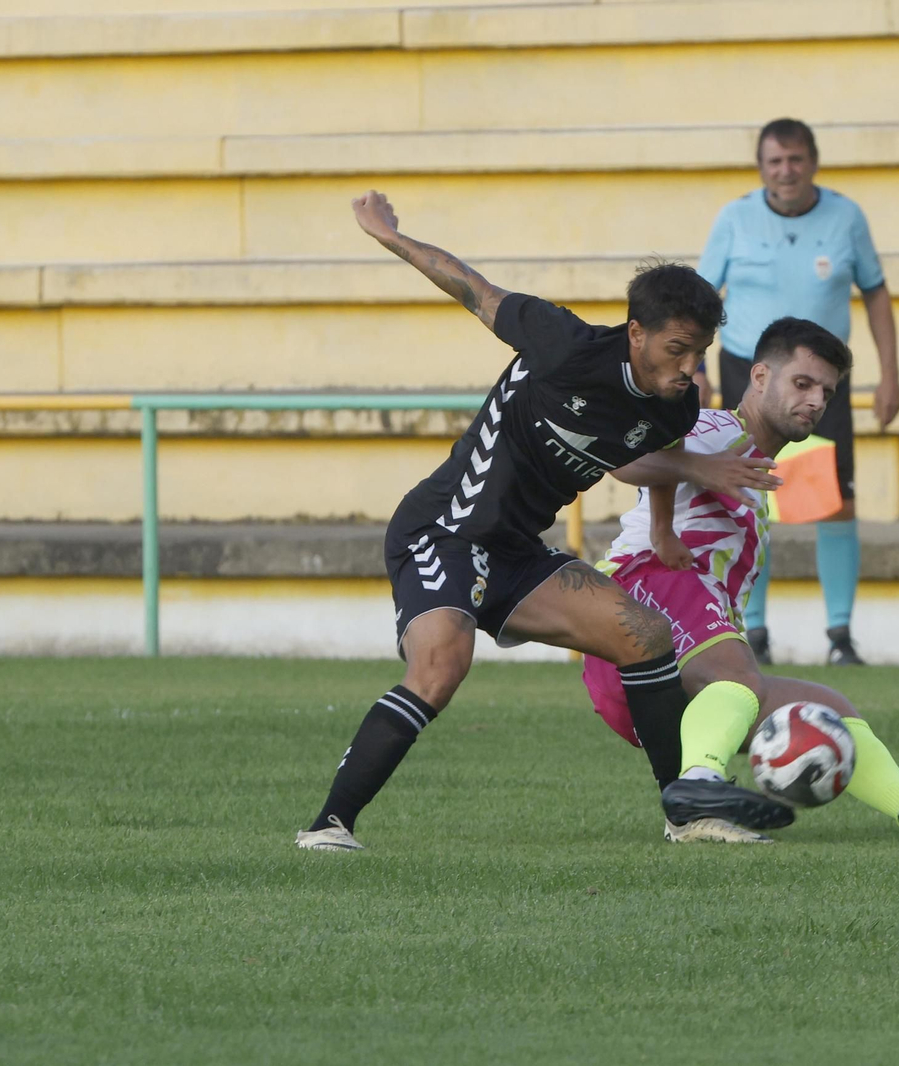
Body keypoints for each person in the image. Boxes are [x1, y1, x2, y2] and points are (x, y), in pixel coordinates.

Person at [296, 191, 792, 851]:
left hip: (515, 554)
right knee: (443, 665)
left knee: (645, 635)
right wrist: (389, 235)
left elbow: (655, 457)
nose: (688, 368)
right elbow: (473, 289)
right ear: (637, 332)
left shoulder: (675, 404)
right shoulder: (564, 344)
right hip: (442, 531)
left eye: (698, 352)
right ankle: (329, 825)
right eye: (677, 350)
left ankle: (685, 815)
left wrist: (667, 529)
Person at [583, 316, 899, 842]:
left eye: (826, 392)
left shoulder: (755, 469)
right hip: (639, 595)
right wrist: (700, 471)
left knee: (828, 709)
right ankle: (699, 788)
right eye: (802, 383)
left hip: (665, 670)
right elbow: (624, 456)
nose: (815, 400)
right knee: (737, 678)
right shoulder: (719, 431)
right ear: (761, 376)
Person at [695, 118, 899, 667]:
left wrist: (891, 374)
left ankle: (839, 635)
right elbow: (700, 295)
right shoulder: (735, 218)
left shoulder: (846, 216)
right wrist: (694, 365)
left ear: (812, 161)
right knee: (745, 493)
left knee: (835, 501)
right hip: (750, 371)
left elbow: (877, 294)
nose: (785, 170)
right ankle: (752, 630)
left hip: (824, 379)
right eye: (774, 161)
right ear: (761, 167)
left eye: (794, 159)